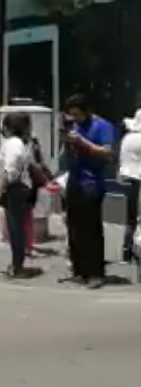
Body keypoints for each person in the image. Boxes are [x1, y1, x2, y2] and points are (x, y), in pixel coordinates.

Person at [60, 94, 114, 289]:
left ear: (87, 111)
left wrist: (82, 142)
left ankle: (95, 273)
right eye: (71, 116)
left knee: (91, 229)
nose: (74, 120)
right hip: (74, 179)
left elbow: (106, 152)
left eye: (77, 115)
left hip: (92, 182)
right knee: (74, 227)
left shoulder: (102, 126)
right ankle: (79, 269)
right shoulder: (73, 127)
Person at [0, 111, 35, 278]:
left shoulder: (13, 144)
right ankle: (17, 263)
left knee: (15, 229)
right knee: (15, 228)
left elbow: (9, 170)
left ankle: (17, 266)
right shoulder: (19, 143)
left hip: (15, 190)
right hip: (18, 189)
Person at [119, 109, 141, 264]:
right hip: (138, 179)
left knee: (130, 219)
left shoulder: (127, 137)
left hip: (126, 178)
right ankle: (136, 250)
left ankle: (126, 251)